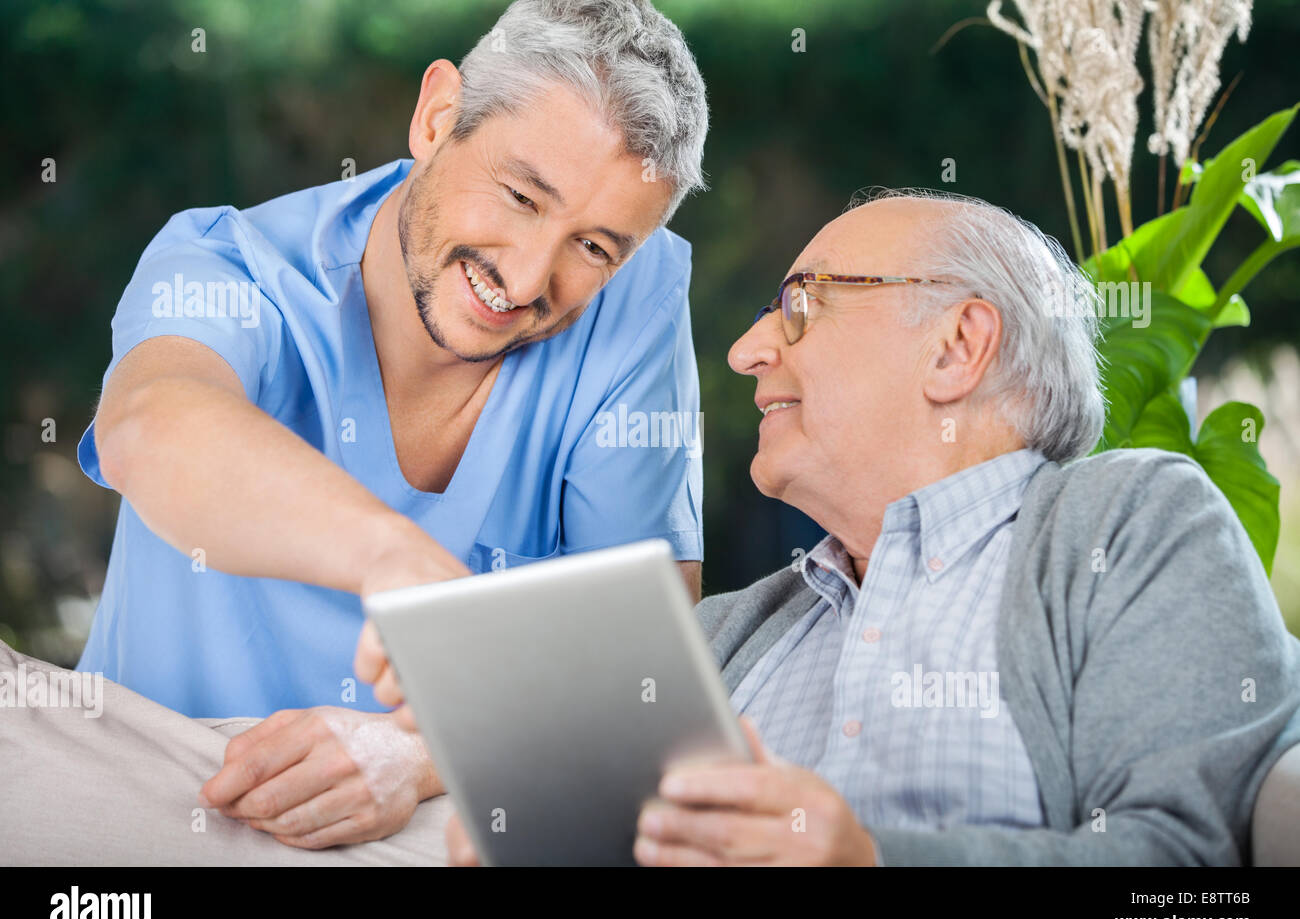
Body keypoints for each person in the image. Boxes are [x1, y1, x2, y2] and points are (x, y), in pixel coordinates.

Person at [406, 190, 1300, 866]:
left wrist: (869, 859)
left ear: (957, 346)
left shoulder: (1131, 527)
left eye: (800, 305)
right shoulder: (725, 634)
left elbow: (1193, 890)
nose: (747, 350)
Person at [75, 0, 709, 849]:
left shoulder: (637, 297)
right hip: (142, 807)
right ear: (437, 116)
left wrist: (420, 749)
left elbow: (644, 635)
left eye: (593, 247)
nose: (525, 280)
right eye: (521, 196)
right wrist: (394, 561)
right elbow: (152, 429)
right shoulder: (226, 266)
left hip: (425, 826)